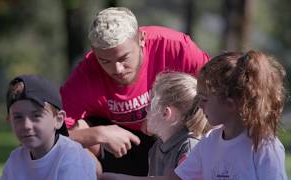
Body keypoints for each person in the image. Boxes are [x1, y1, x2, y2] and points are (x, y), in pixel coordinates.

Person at [60, 7, 210, 175]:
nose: (117, 69)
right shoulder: (86, 73)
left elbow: (218, 91)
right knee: (79, 130)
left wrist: (199, 129)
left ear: (141, 39)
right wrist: (97, 134)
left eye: (124, 58)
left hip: (178, 135)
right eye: (105, 61)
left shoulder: (175, 47)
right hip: (124, 146)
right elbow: (49, 132)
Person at [99, 50, 288, 180]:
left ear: (229, 103)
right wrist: (110, 177)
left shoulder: (263, 146)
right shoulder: (209, 142)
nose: (200, 105)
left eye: (204, 98)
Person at [0, 75, 98, 180]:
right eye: (18, 117)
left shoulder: (71, 158)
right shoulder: (16, 159)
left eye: (36, 116)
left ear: (58, 119)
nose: (26, 125)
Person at [146, 72, 210, 176]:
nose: (146, 110)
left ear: (165, 113)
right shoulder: (157, 147)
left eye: (150, 105)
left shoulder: (190, 149)